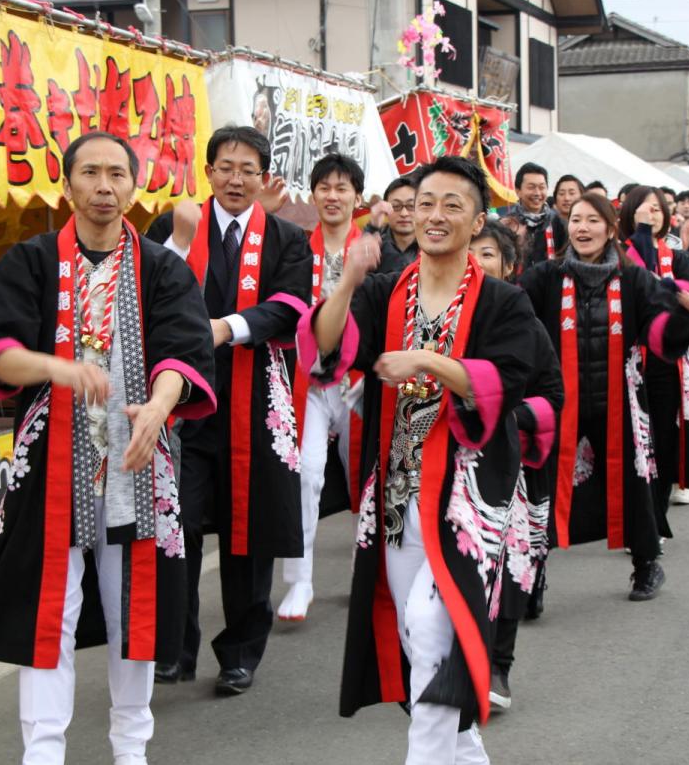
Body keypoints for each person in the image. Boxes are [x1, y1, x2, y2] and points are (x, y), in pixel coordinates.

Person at [0, 131, 218, 765]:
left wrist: (159, 404)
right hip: (51, 474)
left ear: (134, 184)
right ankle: (42, 753)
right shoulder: (31, 261)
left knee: (135, 616)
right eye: (90, 173)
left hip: (136, 466)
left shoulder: (160, 267)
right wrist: (55, 366)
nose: (104, 186)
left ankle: (132, 747)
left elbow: (184, 347)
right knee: (51, 618)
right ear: (67, 185)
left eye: (117, 174)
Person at [301, 156, 537, 764]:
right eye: (425, 202)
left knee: (435, 629)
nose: (434, 216)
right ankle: (468, 754)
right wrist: (348, 280)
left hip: (466, 504)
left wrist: (427, 362)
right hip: (397, 500)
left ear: (479, 219)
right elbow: (325, 351)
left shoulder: (503, 303)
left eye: (452, 205)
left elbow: (506, 381)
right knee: (418, 643)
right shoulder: (385, 291)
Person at [146, 124, 311, 695]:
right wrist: (175, 244)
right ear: (209, 172)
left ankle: (240, 652)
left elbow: (290, 307)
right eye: (225, 167)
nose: (236, 178)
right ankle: (174, 647)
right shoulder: (175, 224)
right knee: (178, 528)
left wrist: (225, 328)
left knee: (249, 533)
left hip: (252, 400)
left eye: (248, 169)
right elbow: (142, 290)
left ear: (263, 178)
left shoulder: (287, 239)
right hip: (181, 405)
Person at [521, 193, 689, 602]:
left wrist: (682, 317)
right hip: (557, 400)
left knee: (634, 482)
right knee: (541, 486)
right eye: (576, 220)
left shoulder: (635, 279)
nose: (582, 228)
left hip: (616, 400)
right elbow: (516, 320)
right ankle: (531, 575)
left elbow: (659, 333)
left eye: (592, 221)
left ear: (610, 228)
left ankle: (646, 564)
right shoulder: (544, 277)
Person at [468, 221, 563, 713]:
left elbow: (553, 396)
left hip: (512, 468)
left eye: (487, 255)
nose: (477, 263)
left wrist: (501, 416)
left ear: (509, 266)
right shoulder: (444, 319)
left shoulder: (526, 323)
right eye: (471, 253)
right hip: (452, 467)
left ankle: (498, 666)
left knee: (504, 567)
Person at [279, 153, 365, 622]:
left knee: (363, 477)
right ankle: (300, 581)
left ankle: (363, 566)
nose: (333, 196)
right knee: (307, 473)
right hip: (306, 381)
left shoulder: (372, 247)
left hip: (356, 381)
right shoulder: (295, 247)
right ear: (312, 195)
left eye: (342, 187)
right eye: (324, 188)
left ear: (357, 195)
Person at [617, 186, 689, 516]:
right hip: (625, 362)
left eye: (657, 209)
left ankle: (655, 518)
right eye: (644, 209)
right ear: (629, 214)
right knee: (630, 439)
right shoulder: (616, 254)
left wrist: (671, 289)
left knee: (663, 436)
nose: (651, 215)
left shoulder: (679, 258)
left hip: (667, 363)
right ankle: (635, 517)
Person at [509, 162, 561, 267]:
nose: (537, 193)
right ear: (518, 191)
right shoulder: (507, 224)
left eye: (542, 187)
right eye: (531, 187)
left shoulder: (559, 223)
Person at [367, 175, 420, 273]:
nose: (404, 213)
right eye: (396, 206)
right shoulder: (374, 243)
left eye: (411, 206)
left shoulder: (432, 245)